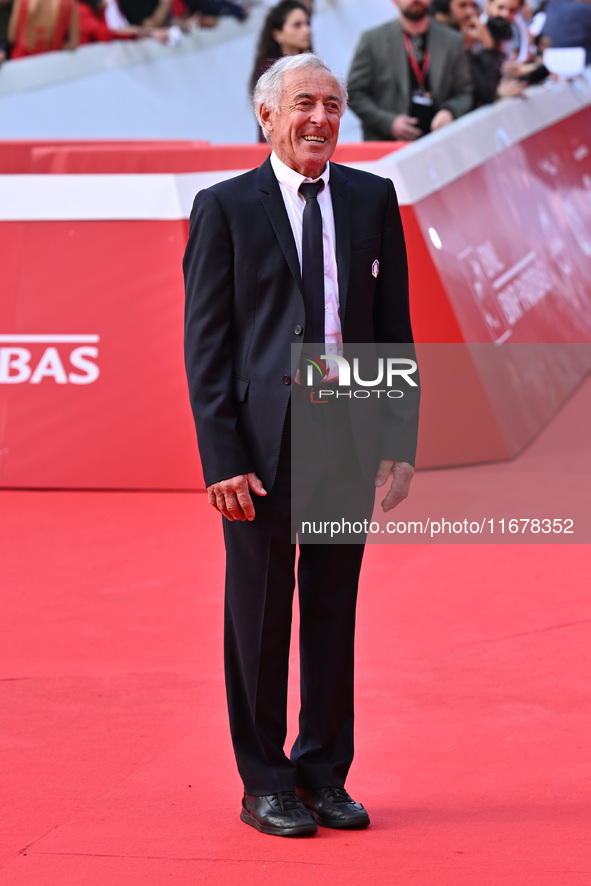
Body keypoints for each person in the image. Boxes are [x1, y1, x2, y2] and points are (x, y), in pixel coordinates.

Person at [183, 53, 419, 837]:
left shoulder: (371, 196)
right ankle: (264, 783)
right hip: (258, 442)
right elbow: (206, 346)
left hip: (344, 429)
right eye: (303, 104)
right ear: (266, 115)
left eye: (331, 104)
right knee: (256, 617)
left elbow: (392, 327)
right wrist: (221, 457)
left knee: (330, 608)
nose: (319, 118)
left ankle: (323, 772)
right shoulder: (223, 207)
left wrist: (397, 437)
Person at [347, 0, 472, 142]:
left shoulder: (452, 41)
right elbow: (353, 92)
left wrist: (450, 112)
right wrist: (388, 123)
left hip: (440, 145)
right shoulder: (373, 40)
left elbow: (464, 93)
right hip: (388, 148)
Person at [249, 0, 312, 139]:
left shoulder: (313, 66)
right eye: (297, 25)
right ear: (278, 34)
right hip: (278, 147)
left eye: (307, 24)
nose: (306, 30)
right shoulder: (268, 70)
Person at [7, 0, 78, 58]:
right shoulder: (69, 3)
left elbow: (12, 36)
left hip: (22, 59)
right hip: (51, 59)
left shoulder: (21, 1)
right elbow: (73, 43)